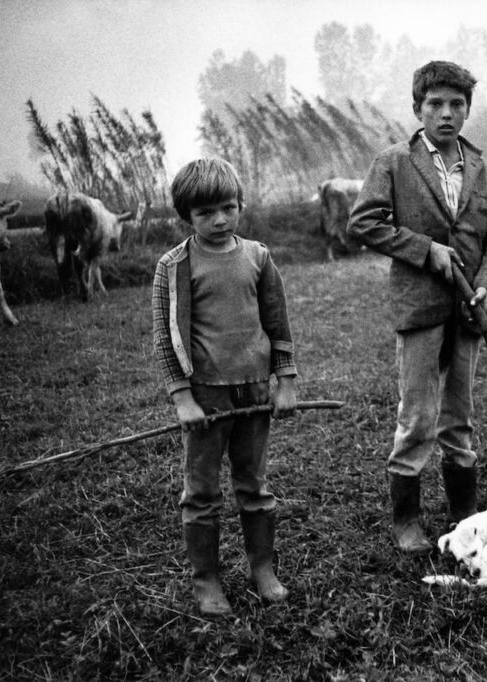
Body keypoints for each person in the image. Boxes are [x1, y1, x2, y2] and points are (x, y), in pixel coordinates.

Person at [348, 61, 487, 554]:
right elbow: (365, 223)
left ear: (467, 110)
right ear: (417, 108)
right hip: (419, 309)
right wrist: (425, 249)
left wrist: (485, 286)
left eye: (457, 105)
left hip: (468, 314)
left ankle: (465, 517)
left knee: (459, 417)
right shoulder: (395, 162)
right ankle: (407, 520)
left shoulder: (485, 171)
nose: (446, 114)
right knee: (418, 416)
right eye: (435, 105)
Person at [151, 158, 298, 615]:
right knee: (201, 491)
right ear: (186, 217)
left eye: (228, 208)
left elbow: (277, 320)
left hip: (254, 392)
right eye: (205, 213)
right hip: (207, 396)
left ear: (240, 204)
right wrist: (182, 397)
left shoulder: (258, 256)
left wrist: (285, 380)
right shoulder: (174, 265)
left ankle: (262, 567)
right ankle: (207, 580)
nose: (219, 220)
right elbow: (166, 334)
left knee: (253, 484)